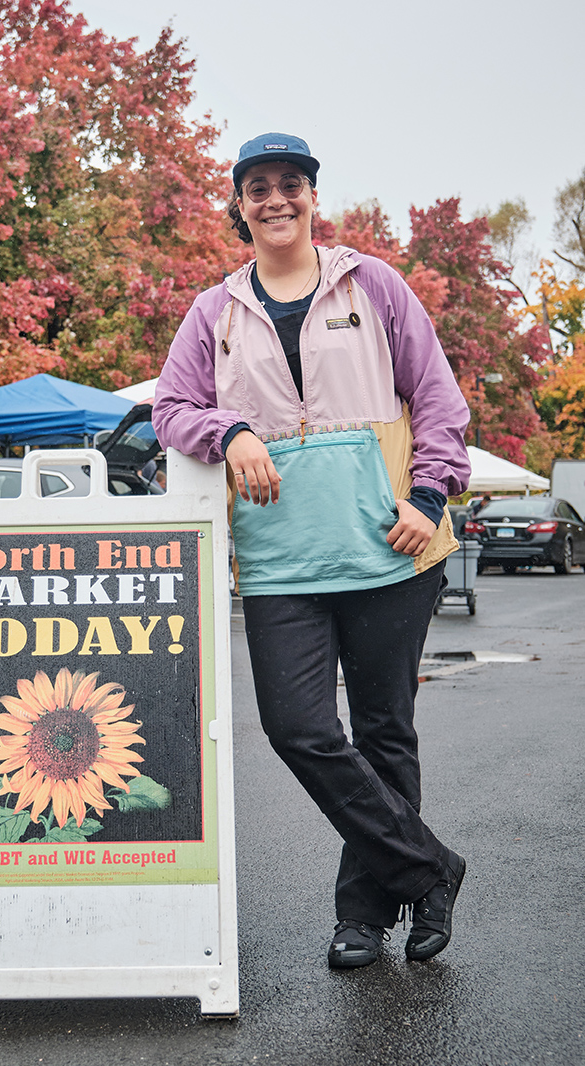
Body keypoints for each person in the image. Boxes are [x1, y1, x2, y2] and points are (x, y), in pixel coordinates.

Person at [152, 132, 472, 969]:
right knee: (297, 726)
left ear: (310, 196)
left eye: (289, 183)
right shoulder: (213, 311)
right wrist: (229, 429)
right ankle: (428, 868)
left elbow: (436, 397)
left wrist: (429, 495)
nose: (275, 199)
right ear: (239, 205)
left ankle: (362, 918)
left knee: (381, 731)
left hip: (388, 545)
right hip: (278, 560)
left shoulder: (372, 284)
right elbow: (171, 409)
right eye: (257, 187)